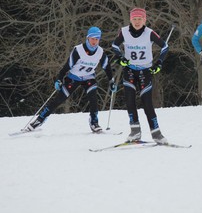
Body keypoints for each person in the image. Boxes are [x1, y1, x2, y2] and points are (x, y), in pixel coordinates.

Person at [25, 26, 117, 133]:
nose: (94, 41)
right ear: (87, 38)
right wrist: (59, 79)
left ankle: (94, 122)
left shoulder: (100, 52)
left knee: (93, 98)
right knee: (59, 100)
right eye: (92, 38)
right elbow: (67, 66)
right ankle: (39, 120)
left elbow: (107, 67)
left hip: (88, 78)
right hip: (74, 77)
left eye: (97, 39)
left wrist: (111, 81)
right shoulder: (78, 50)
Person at [112, 8, 169, 143]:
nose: (137, 22)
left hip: (145, 71)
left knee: (147, 103)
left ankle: (156, 134)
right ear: (131, 20)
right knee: (130, 101)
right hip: (130, 70)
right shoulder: (124, 32)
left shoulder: (149, 33)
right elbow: (114, 45)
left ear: (144, 20)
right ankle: (135, 131)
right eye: (134, 19)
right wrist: (120, 57)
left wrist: (159, 63)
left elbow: (165, 46)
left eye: (140, 19)